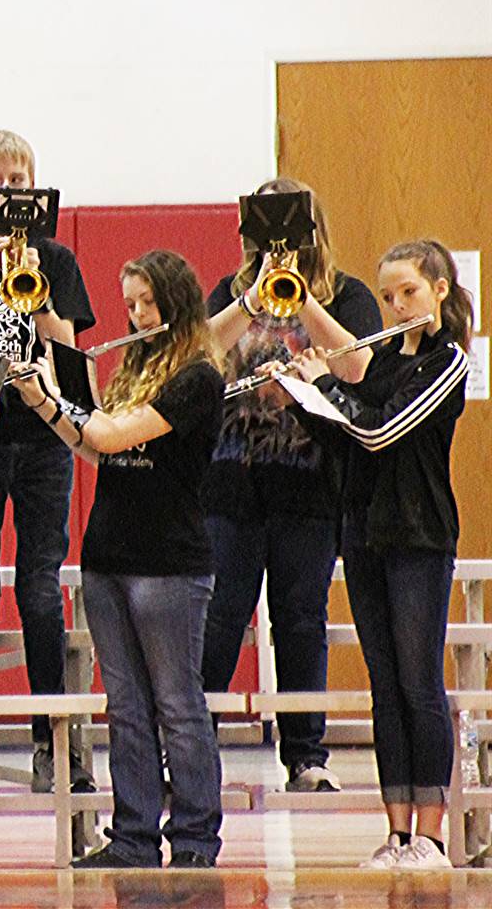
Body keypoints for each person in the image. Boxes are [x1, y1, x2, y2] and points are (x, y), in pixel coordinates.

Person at [12, 250, 227, 869]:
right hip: (108, 555)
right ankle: (133, 836)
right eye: (129, 303)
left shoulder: (197, 377)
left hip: (170, 562)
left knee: (178, 707)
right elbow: (93, 449)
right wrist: (42, 404)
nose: (134, 316)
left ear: (176, 301)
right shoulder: (133, 363)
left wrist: (52, 397)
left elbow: (110, 434)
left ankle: (194, 839)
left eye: (146, 303)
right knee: (126, 708)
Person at [276, 240, 471, 870]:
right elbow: (347, 437)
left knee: (419, 685)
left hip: (418, 534)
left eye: (407, 293)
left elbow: (382, 430)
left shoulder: (448, 360)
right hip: (364, 532)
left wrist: (329, 385)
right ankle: (396, 835)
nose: (394, 306)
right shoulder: (384, 357)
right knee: (384, 689)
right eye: (387, 297)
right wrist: (308, 395)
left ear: (440, 290)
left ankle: (433, 839)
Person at [199, 178, 380, 793]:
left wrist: (301, 299)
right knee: (222, 616)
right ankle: (197, 749)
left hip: (310, 484)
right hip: (231, 482)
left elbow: (358, 367)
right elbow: (198, 358)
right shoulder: (230, 293)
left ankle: (306, 753)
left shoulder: (347, 295)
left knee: (300, 618)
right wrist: (253, 298)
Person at [0, 130, 97, 792]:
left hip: (40, 441)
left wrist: (37, 297)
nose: (6, 192)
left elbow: (70, 355)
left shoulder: (57, 260)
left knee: (39, 592)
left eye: (18, 180)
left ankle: (50, 741)